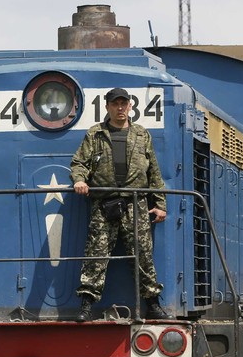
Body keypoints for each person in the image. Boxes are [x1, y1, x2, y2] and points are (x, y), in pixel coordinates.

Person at [70, 88, 171, 321]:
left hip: (136, 203)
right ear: (107, 107)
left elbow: (154, 172)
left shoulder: (141, 134)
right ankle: (86, 305)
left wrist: (160, 204)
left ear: (130, 106)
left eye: (124, 103)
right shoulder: (95, 134)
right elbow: (79, 163)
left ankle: (153, 304)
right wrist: (79, 180)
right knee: (96, 255)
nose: (120, 108)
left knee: (143, 254)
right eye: (115, 104)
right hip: (104, 203)